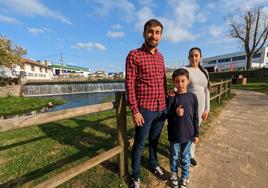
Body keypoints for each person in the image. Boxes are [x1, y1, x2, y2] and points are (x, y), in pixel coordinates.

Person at [125, 19, 168, 188]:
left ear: (161, 35)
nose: (154, 35)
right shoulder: (134, 55)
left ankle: (153, 163)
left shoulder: (160, 56)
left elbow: (163, 81)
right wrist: (135, 111)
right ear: (144, 33)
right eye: (150, 31)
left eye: (157, 32)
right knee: (139, 143)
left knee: (155, 141)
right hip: (145, 109)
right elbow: (129, 84)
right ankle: (135, 177)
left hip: (161, 108)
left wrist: (166, 101)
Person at [167, 68, 199, 188]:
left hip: (188, 134)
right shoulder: (171, 97)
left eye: (182, 81)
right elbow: (166, 113)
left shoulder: (192, 97)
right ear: (173, 82)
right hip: (174, 133)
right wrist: (175, 112)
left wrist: (196, 134)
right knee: (174, 156)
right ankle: (174, 175)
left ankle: (185, 177)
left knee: (186, 157)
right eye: (177, 81)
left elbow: (195, 117)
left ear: (188, 81)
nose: (180, 84)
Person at [185, 47, 210, 167]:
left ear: (200, 57)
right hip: (189, 106)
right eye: (191, 56)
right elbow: (180, 84)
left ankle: (191, 155)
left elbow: (207, 90)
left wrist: (207, 109)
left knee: (195, 131)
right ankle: (184, 155)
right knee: (187, 131)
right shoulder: (185, 70)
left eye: (196, 55)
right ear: (188, 57)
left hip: (201, 107)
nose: (194, 58)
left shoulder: (204, 72)